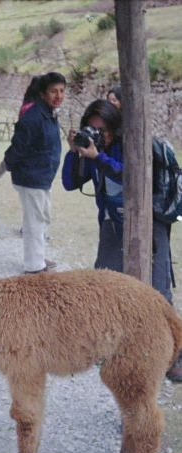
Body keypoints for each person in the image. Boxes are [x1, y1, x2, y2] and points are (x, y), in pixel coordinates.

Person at [61, 99, 173, 304]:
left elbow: (132, 178)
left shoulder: (131, 146)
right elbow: (69, 183)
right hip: (111, 221)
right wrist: (73, 151)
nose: (98, 134)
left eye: (102, 130)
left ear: (115, 127)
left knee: (156, 290)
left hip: (149, 222)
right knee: (105, 287)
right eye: (91, 129)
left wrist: (99, 158)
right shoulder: (92, 150)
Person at [2, 71, 66, 274]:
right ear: (42, 94)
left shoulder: (48, 114)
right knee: (35, 222)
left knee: (42, 218)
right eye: (53, 91)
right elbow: (18, 147)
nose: (59, 96)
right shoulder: (33, 118)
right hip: (31, 178)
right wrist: (9, 164)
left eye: (62, 91)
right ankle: (34, 266)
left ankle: (38, 257)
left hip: (42, 178)